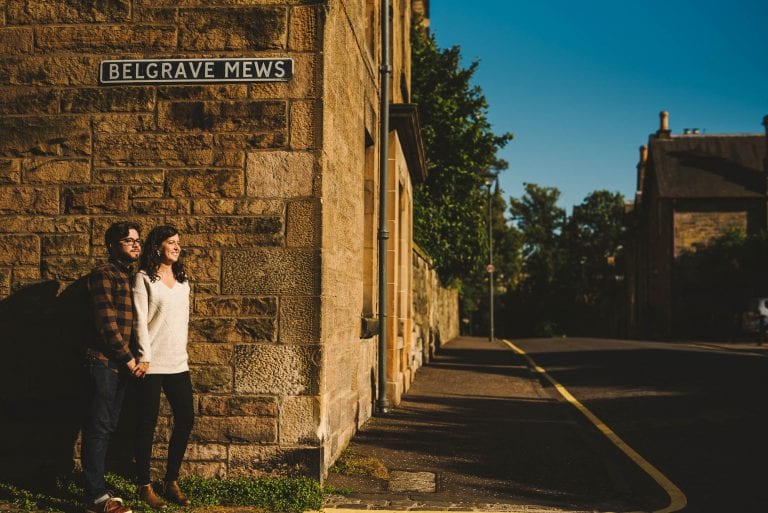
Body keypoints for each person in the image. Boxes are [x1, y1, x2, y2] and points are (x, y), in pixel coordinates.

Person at [82, 222, 142, 513]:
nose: (135, 244)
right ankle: (96, 499)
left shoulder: (130, 277)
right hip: (104, 363)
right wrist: (128, 358)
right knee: (99, 427)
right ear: (111, 245)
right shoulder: (104, 274)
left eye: (137, 240)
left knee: (108, 426)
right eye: (128, 240)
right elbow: (107, 325)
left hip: (119, 365)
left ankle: (100, 488)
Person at [132, 225, 193, 508]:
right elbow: (139, 320)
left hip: (177, 362)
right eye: (171, 242)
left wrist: (183, 353)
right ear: (157, 246)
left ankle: (171, 481)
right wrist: (144, 356)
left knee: (186, 418)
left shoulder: (182, 281)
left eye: (178, 242)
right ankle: (144, 485)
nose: (177, 247)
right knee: (147, 423)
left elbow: (182, 323)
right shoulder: (144, 278)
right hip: (151, 364)